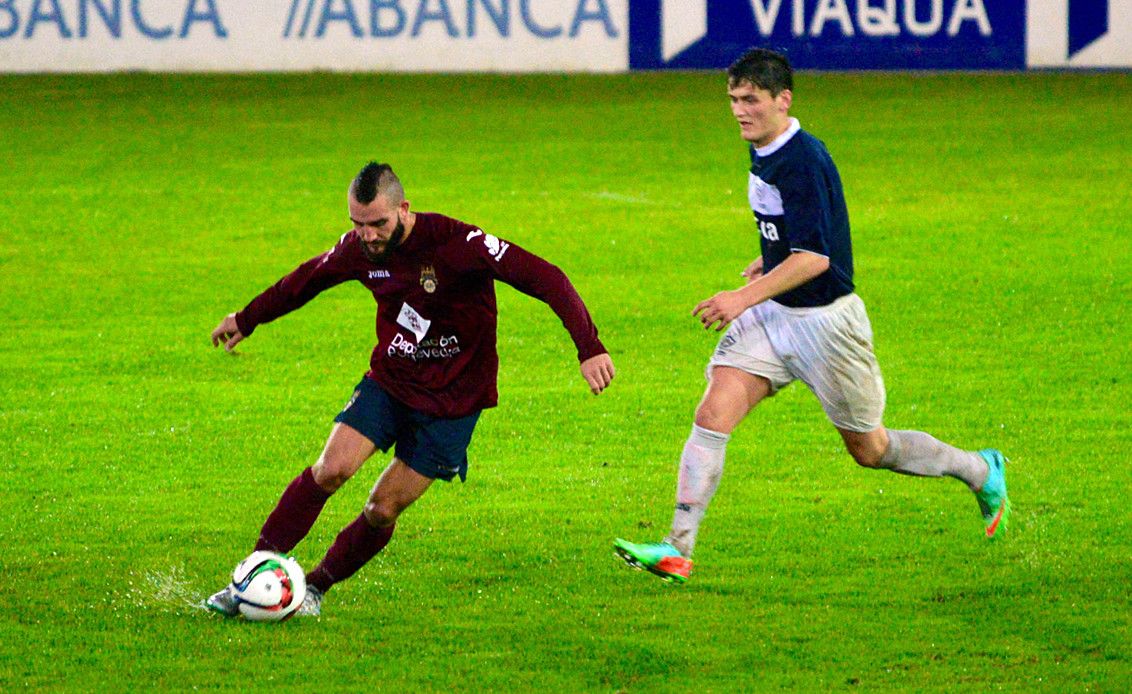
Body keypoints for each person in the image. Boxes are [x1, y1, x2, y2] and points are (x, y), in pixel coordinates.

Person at [613, 48, 1009, 584]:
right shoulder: (766, 146)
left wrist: (739, 297)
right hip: (778, 317)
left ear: (783, 99)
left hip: (828, 326)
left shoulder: (802, 159)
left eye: (750, 99)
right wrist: (769, 258)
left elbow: (817, 258)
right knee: (713, 414)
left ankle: (980, 470)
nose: (739, 110)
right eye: (733, 99)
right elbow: (798, 235)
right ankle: (675, 548)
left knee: (871, 449)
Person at [206, 161, 615, 616]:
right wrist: (246, 319)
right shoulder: (359, 250)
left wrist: (589, 347)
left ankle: (316, 588)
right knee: (331, 469)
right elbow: (306, 280)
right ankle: (252, 572)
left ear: (404, 208)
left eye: (377, 223)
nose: (367, 235)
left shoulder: (459, 244)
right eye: (357, 224)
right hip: (392, 381)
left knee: (382, 509)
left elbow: (547, 278)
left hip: (455, 401)